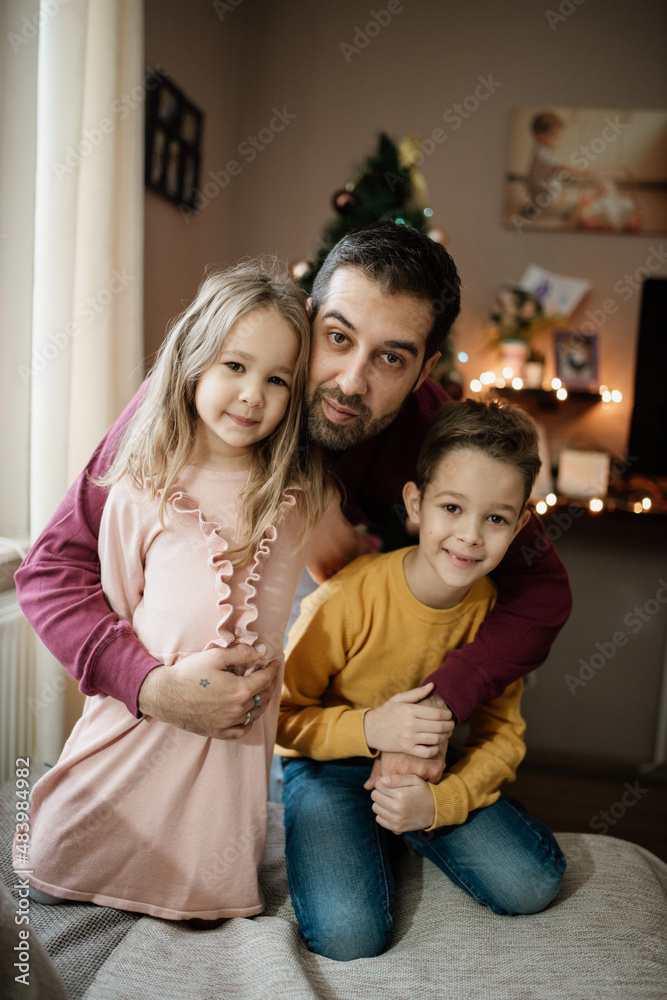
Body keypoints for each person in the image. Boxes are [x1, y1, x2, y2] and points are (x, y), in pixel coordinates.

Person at [15, 222, 572, 790]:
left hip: (349, 709)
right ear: (308, 318)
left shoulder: (436, 439)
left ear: (425, 370)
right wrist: (151, 688)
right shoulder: (201, 395)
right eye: (337, 337)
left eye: (391, 359)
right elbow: (52, 570)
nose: (351, 382)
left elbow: (544, 593)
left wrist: (440, 707)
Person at [16, 261, 336, 921]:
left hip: (227, 770)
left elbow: (356, 570)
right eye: (233, 366)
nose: (252, 395)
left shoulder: (302, 499)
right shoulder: (138, 487)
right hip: (132, 738)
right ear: (191, 363)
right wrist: (162, 687)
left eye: (277, 380)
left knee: (208, 897)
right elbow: (114, 608)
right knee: (51, 862)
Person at [276, 399, 566, 961]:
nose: (470, 537)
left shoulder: (496, 617)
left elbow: (501, 737)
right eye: (452, 507)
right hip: (329, 767)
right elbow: (282, 721)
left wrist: (443, 803)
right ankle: (382, 830)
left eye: (497, 518)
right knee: (346, 933)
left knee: (530, 884)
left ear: (521, 525)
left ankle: (406, 825)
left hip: (432, 775)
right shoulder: (347, 599)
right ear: (416, 502)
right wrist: (371, 729)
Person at [527, 111, 639, 230]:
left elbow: (551, 173)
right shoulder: (542, 153)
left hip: (545, 189)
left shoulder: (544, 149)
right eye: (553, 135)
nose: (556, 139)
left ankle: (539, 207)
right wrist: (583, 171)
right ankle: (539, 209)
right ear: (540, 136)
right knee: (570, 207)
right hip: (542, 194)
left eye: (557, 136)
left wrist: (560, 185)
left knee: (571, 201)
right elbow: (560, 167)